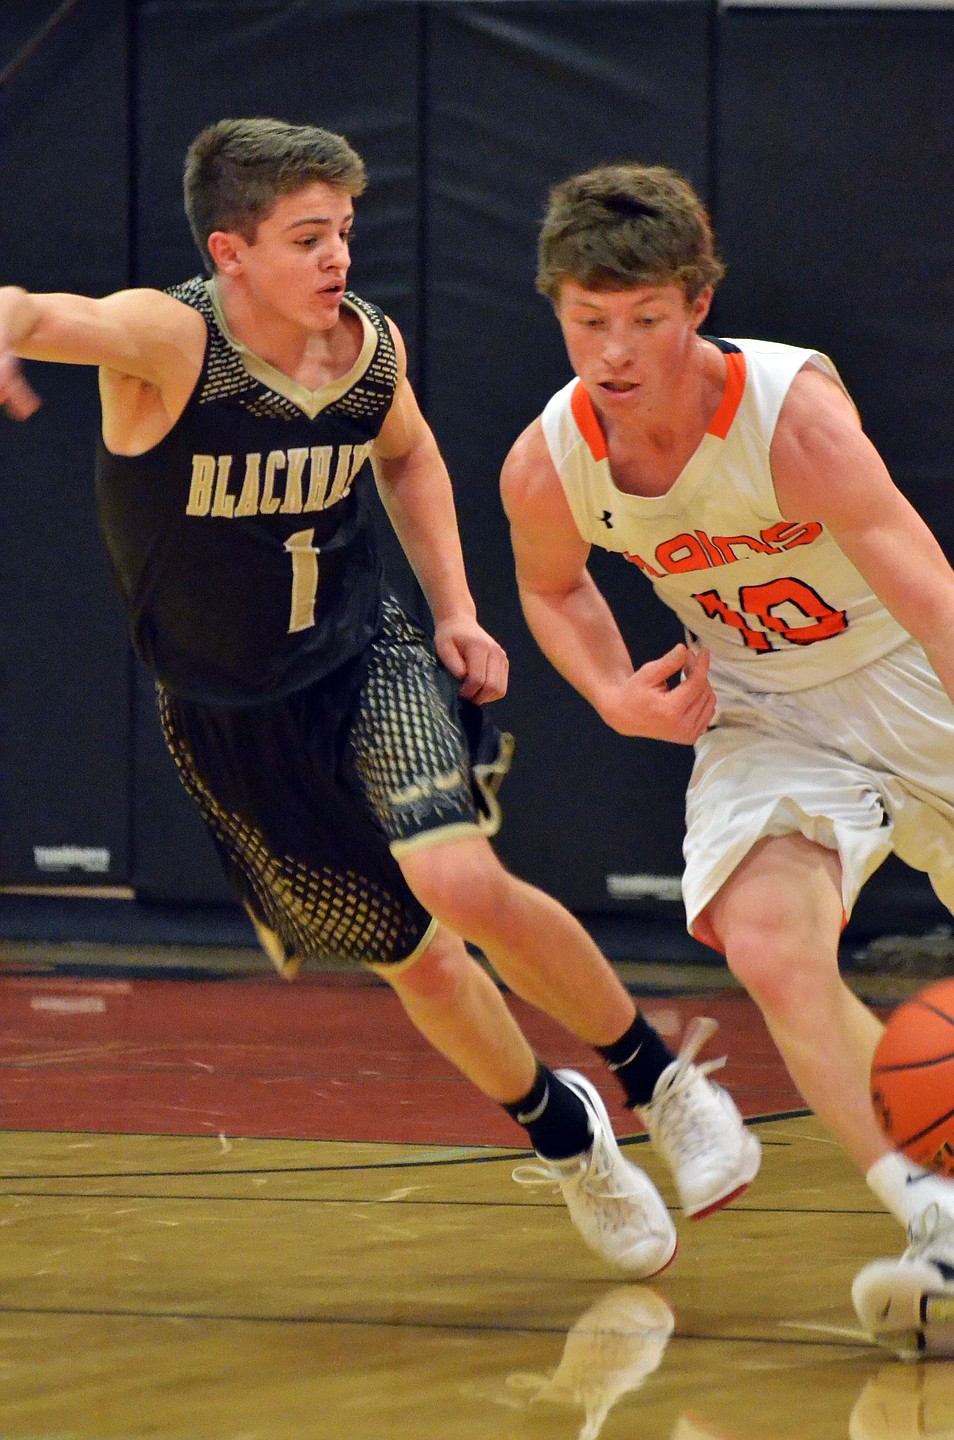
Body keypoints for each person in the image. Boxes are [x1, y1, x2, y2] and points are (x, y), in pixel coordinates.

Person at [0, 122, 762, 1281]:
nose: (337, 258)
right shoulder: (171, 340)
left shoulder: (368, 348)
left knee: (462, 878)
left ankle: (662, 1081)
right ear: (232, 251)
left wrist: (456, 608)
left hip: (366, 656)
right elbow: (41, 311)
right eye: (307, 238)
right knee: (418, 960)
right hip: (227, 718)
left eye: (345, 232)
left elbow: (408, 459)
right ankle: (570, 1143)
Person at [499, 162, 954, 1355]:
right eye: (588, 321)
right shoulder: (547, 461)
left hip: (914, 678)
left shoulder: (791, 419)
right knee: (768, 944)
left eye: (644, 319)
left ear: (697, 304)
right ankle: (953, 1245)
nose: (614, 350)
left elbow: (940, 616)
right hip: (764, 709)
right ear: (556, 307)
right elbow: (552, 590)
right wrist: (611, 691)